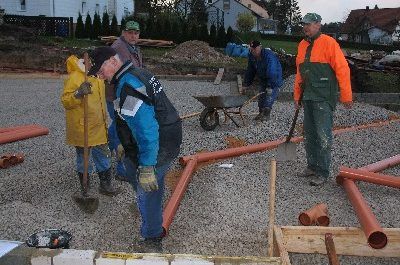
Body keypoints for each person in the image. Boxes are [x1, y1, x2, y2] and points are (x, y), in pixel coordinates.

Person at [88, 47, 182, 251]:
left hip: (160, 141)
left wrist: (148, 166)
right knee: (138, 175)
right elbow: (127, 118)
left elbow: (147, 129)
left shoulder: (129, 85)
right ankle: (152, 216)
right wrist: (123, 142)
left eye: (100, 68)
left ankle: (152, 239)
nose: (99, 74)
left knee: (145, 186)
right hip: (166, 134)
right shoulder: (137, 73)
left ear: (113, 61)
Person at [294, 13, 353, 186]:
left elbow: (343, 69)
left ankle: (322, 171)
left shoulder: (329, 43)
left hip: (323, 98)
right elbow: (299, 73)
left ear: (318, 25)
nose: (306, 27)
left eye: (309, 24)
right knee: (309, 134)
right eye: (304, 24)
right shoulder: (302, 45)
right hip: (308, 97)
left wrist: (346, 95)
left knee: (323, 135)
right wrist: (297, 96)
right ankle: (312, 166)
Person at [61, 55, 120, 196]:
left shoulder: (98, 76)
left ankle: (105, 185)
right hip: (83, 127)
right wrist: (78, 93)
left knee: (104, 155)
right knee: (83, 157)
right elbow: (65, 101)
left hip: (99, 127)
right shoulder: (75, 77)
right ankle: (85, 186)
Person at [105, 20, 143, 181]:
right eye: (130, 32)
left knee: (120, 125)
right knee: (123, 129)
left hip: (128, 94)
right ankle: (122, 169)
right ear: (123, 33)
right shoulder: (118, 48)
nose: (133, 35)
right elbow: (115, 74)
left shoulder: (132, 48)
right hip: (118, 96)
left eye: (136, 33)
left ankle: (106, 142)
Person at [243, 40, 283, 121]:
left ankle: (266, 115)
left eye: (255, 49)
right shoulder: (252, 56)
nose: (253, 51)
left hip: (274, 79)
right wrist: (246, 84)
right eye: (251, 49)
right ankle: (261, 113)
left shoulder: (269, 56)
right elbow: (250, 71)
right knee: (261, 98)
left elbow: (272, 71)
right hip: (264, 79)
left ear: (260, 47)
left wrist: (270, 86)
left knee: (269, 97)